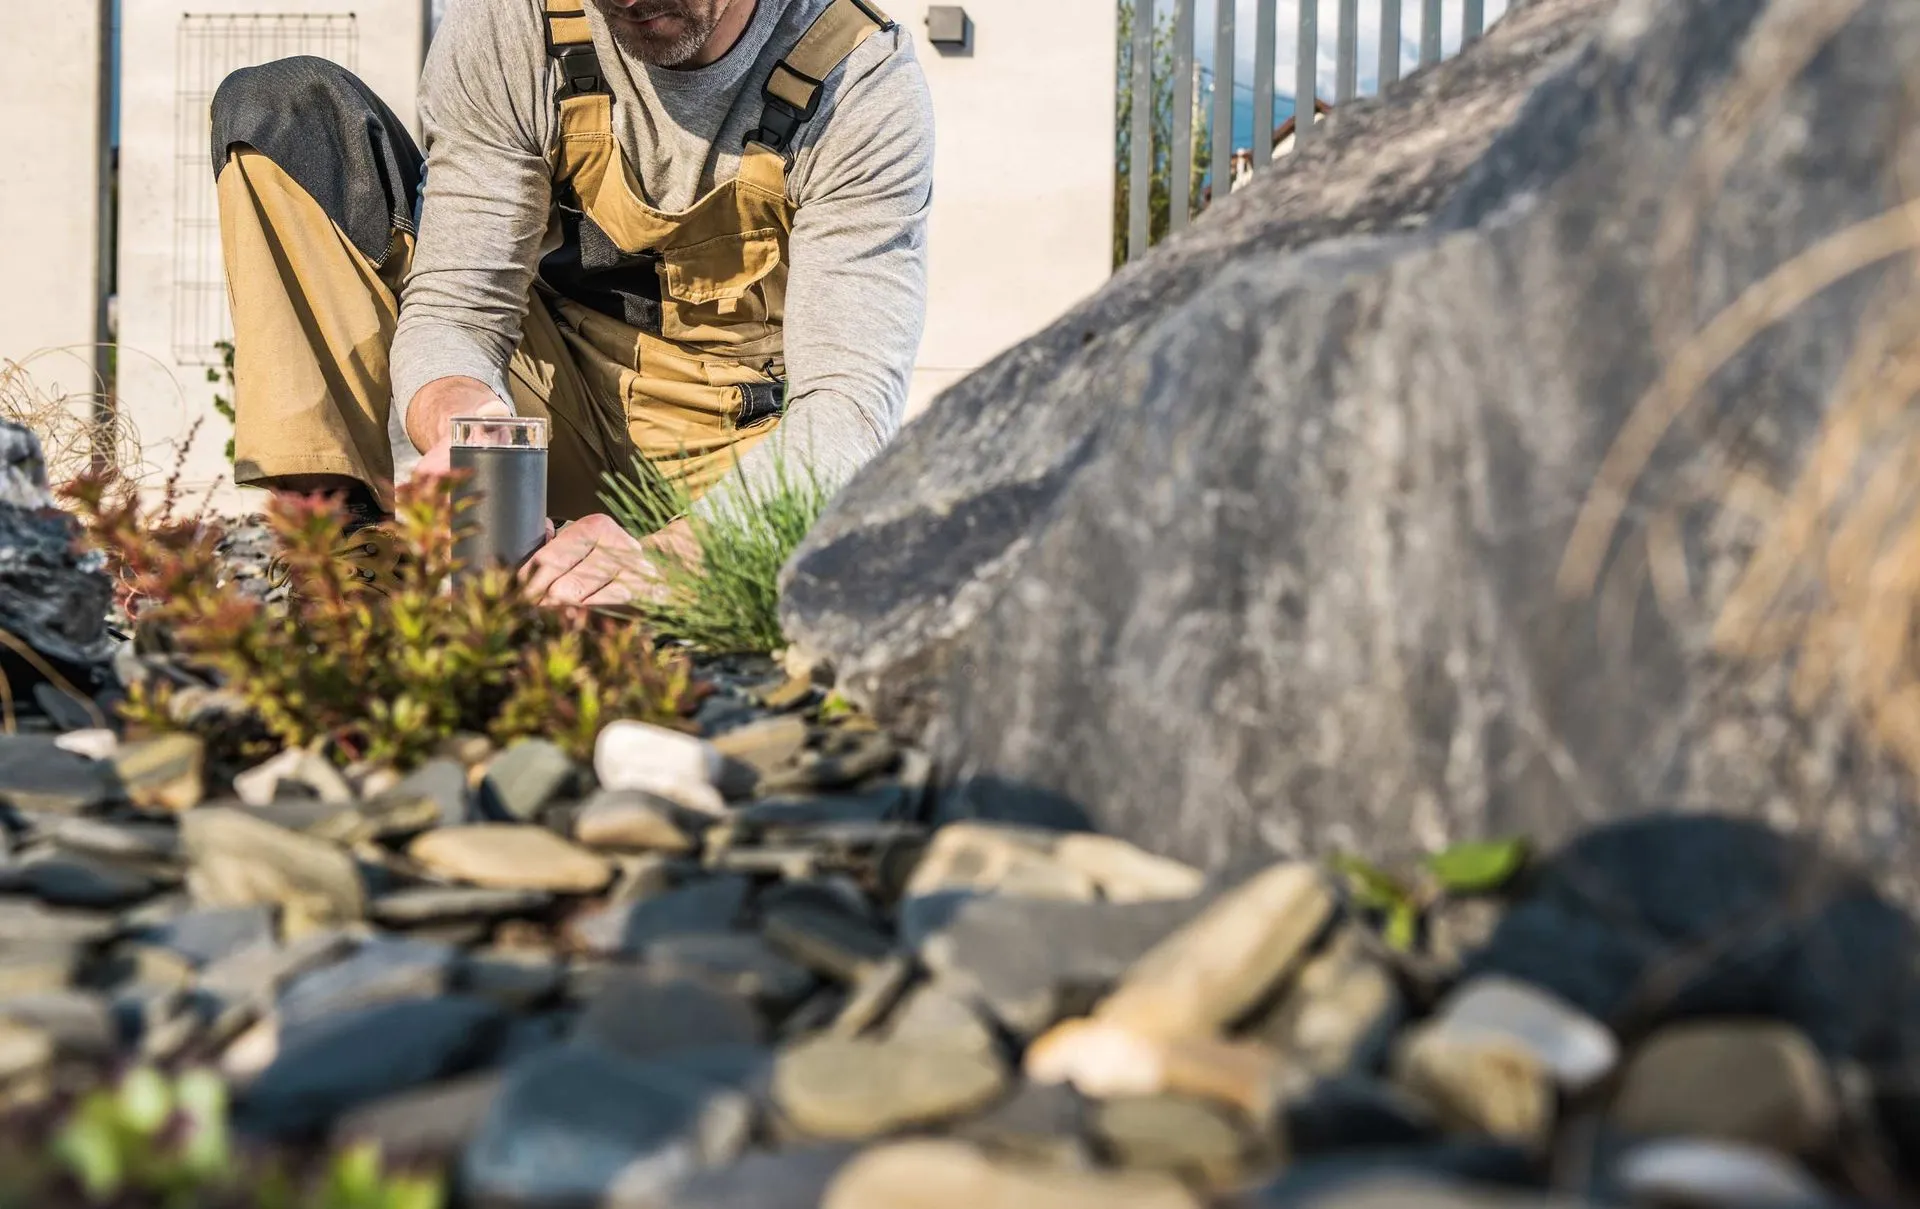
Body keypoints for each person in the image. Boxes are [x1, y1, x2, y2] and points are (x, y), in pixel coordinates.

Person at [209, 0, 934, 606]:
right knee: (283, 114)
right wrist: (470, 428)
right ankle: (347, 562)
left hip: (732, 472)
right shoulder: (516, 22)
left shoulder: (858, 81)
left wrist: (679, 556)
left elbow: (848, 404)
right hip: (549, 421)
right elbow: (459, 305)